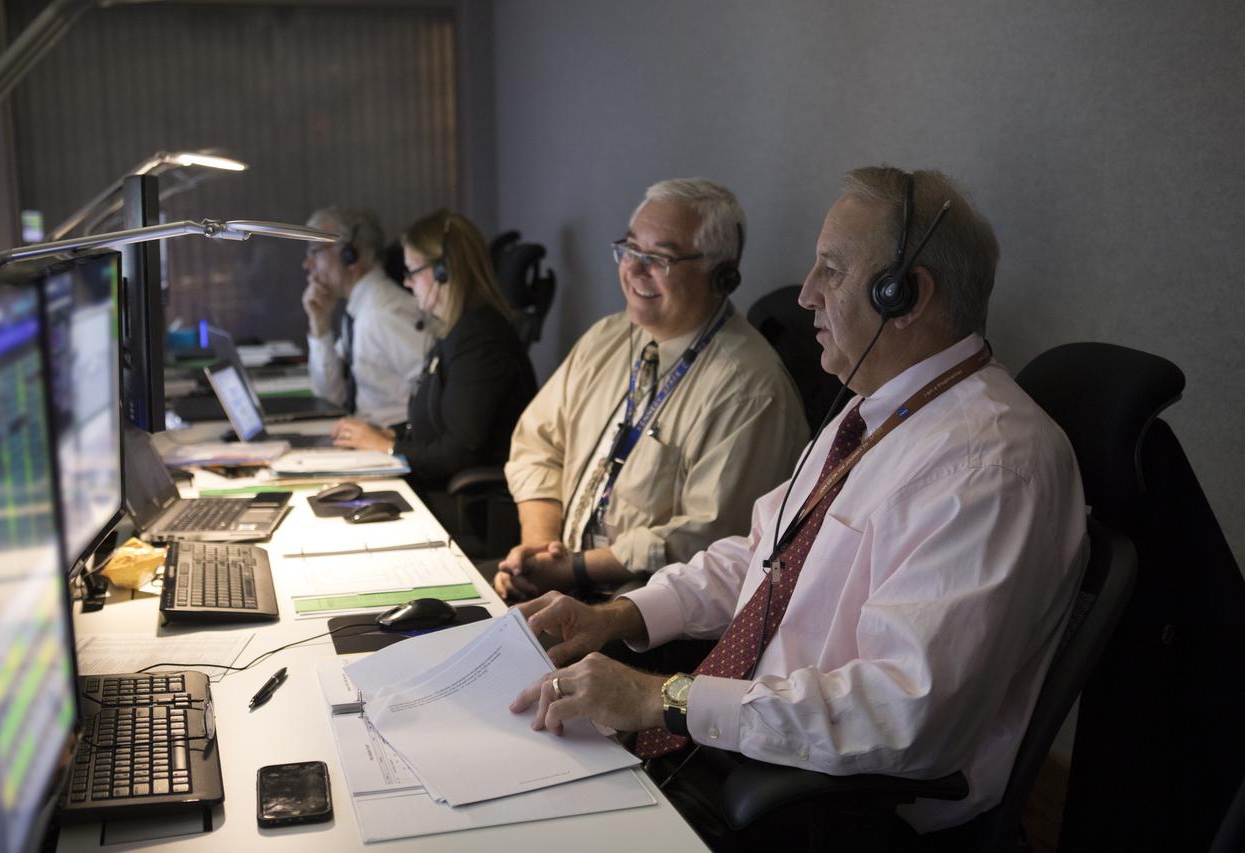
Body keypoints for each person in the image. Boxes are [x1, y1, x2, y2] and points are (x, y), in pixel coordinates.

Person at [508, 167, 1089, 845]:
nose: (806, 295)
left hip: (830, 809)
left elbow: (903, 715)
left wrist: (658, 697)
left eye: (831, 271)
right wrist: (618, 614)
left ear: (904, 294)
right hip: (743, 741)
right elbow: (760, 555)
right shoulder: (871, 412)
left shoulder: (989, 465)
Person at [494, 178, 809, 600]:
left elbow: (708, 538)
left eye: (658, 258)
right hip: (562, 579)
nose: (633, 269)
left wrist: (573, 571)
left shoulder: (749, 389)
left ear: (721, 277)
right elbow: (537, 444)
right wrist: (539, 546)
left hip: (643, 615)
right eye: (629, 250)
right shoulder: (606, 337)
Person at [330, 209, 538, 500]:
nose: (407, 283)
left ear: (444, 272)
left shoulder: (479, 340)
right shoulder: (453, 331)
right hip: (439, 490)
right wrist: (390, 434)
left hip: (470, 509)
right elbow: (437, 421)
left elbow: (459, 454)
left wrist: (388, 448)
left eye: (412, 271)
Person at [302, 205, 428, 425]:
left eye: (315, 251)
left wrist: (393, 440)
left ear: (349, 255)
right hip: (365, 436)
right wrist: (320, 326)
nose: (307, 264)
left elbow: (436, 393)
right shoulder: (358, 312)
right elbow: (331, 397)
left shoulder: (384, 314)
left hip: (390, 443)